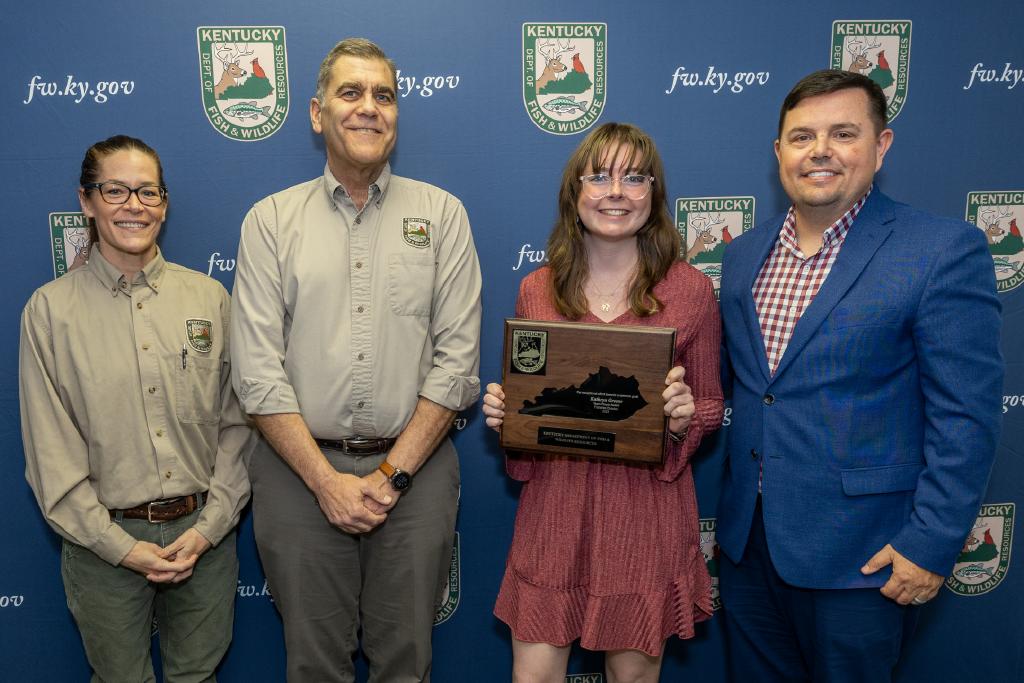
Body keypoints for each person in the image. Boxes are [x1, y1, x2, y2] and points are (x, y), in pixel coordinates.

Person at [716, 69, 1003, 682]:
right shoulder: (743, 255)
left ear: (882, 145)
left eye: (842, 133)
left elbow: (966, 417)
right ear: (778, 153)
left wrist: (929, 545)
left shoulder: (941, 250)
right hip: (749, 549)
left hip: (866, 558)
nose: (819, 151)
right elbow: (747, 388)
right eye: (801, 137)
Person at [230, 38, 481, 682]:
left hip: (416, 473)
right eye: (351, 93)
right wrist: (325, 483)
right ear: (317, 114)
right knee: (314, 666)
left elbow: (455, 365)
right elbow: (257, 374)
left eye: (384, 95)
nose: (369, 108)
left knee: (407, 663)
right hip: (298, 475)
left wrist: (391, 475)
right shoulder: (269, 221)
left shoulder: (443, 214)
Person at [481, 122, 724, 683]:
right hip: (555, 510)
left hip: (643, 516)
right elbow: (530, 407)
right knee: (534, 677)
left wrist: (687, 415)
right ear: (575, 193)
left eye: (634, 177)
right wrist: (506, 417)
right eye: (600, 176)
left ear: (654, 194)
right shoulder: (537, 290)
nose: (617, 191)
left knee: (633, 678)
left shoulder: (691, 290)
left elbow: (711, 402)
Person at [20, 134, 252, 681]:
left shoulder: (210, 299)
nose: (134, 206)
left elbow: (238, 426)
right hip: (103, 544)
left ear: (165, 204)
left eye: (148, 192)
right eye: (116, 190)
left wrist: (210, 526)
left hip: (205, 538)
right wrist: (120, 547)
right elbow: (50, 452)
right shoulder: (50, 313)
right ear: (87, 201)